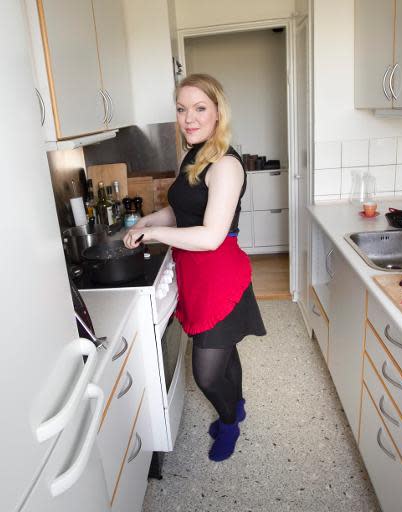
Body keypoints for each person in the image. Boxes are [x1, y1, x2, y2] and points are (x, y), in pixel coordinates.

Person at [123, 73, 266, 462]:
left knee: (205, 372)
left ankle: (228, 422)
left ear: (219, 112)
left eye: (200, 108)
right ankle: (236, 406)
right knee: (224, 351)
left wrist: (157, 237)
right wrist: (148, 221)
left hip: (219, 275)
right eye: (182, 109)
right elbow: (183, 209)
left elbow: (209, 236)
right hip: (196, 273)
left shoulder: (226, 165)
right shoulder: (196, 153)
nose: (189, 117)